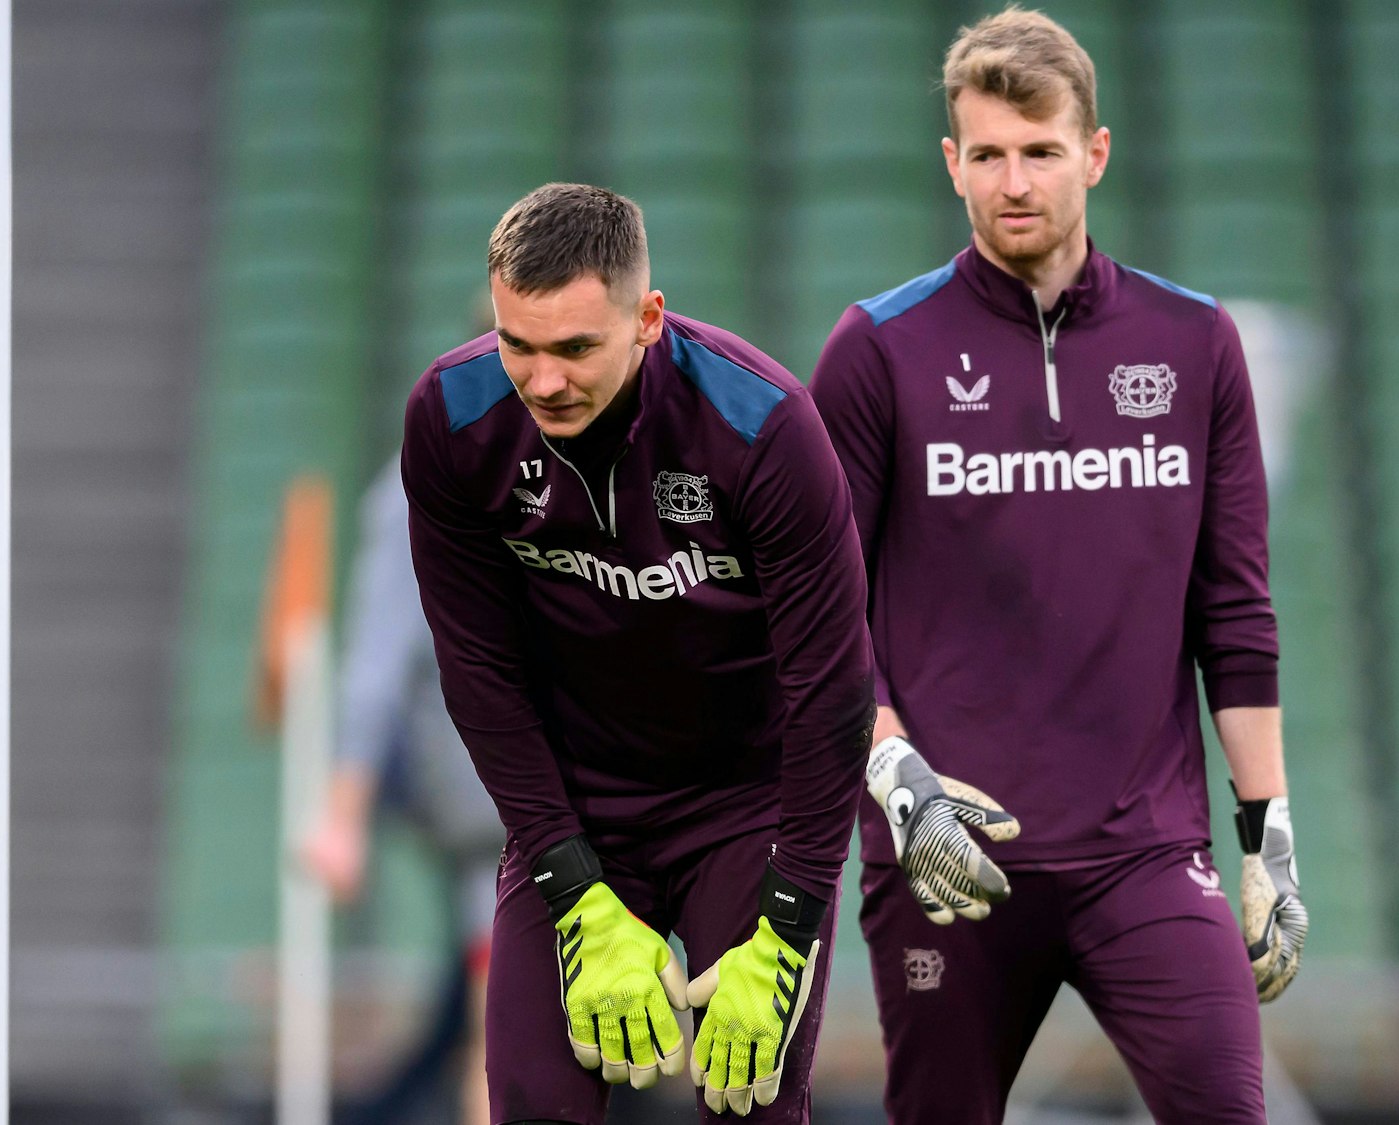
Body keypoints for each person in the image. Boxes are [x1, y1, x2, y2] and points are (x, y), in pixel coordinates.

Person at [808, 9, 1305, 1123]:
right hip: (947, 856)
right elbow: (816, 618)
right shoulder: (878, 350)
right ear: (952, 164)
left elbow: (1234, 611)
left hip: (1147, 855)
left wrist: (1267, 835)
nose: (1014, 182)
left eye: (1040, 151)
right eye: (987, 155)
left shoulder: (1193, 343)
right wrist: (894, 778)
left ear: (1095, 152)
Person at [402, 183, 873, 1123]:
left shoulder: (765, 426)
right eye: (518, 345)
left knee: (748, 1103)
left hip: (746, 805)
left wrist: (788, 931)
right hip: (578, 802)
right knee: (534, 1102)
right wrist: (576, 892)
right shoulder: (451, 419)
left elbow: (833, 691)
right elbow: (480, 676)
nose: (543, 381)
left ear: (647, 319)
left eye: (576, 348)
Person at [300, 455, 504, 1125]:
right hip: (502, 807)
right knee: (514, 1031)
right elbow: (376, 661)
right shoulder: (425, 479)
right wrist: (343, 816)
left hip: (596, 795)